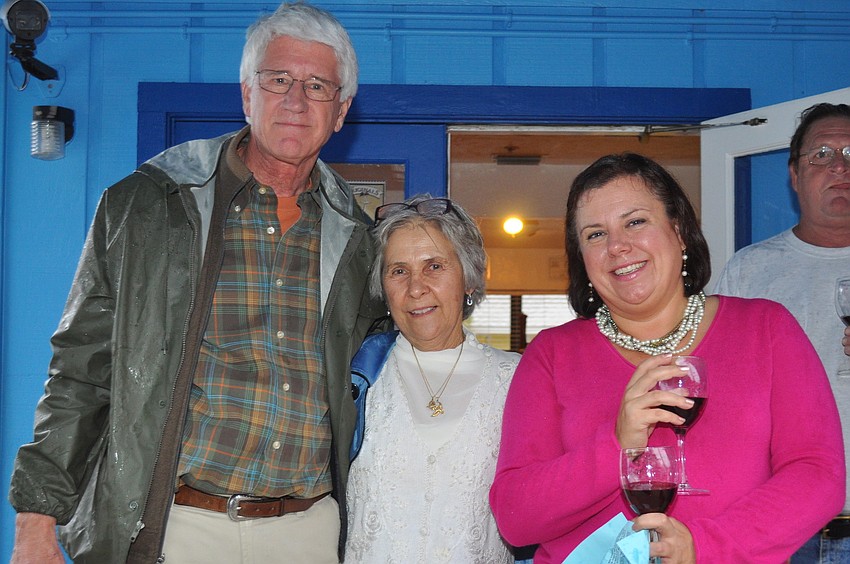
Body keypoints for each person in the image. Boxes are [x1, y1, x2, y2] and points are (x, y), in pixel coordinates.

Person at [8, 3, 387, 563]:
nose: (295, 100)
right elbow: (81, 372)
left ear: (341, 111)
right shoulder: (145, 205)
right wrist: (36, 522)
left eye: (317, 86)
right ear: (246, 94)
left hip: (308, 531)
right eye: (277, 79)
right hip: (175, 527)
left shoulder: (360, 240)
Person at [489, 152, 845, 563]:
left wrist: (706, 545)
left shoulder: (766, 328)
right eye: (595, 234)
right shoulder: (550, 355)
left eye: (635, 222)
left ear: (678, 231)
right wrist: (616, 444)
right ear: (582, 261)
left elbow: (818, 476)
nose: (618, 246)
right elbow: (516, 518)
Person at [344, 195, 520, 563]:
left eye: (434, 266)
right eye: (398, 271)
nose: (416, 288)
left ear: (469, 279)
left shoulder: (516, 380)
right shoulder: (357, 375)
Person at [713, 102, 850, 562]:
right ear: (794, 174)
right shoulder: (750, 272)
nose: (839, 166)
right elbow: (714, 392)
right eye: (823, 153)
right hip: (782, 522)